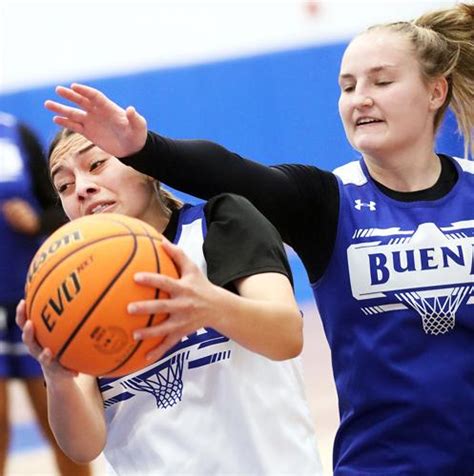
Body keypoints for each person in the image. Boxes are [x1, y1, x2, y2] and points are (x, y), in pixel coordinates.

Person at [42, 2, 474, 474]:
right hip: (384, 464)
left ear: (436, 91)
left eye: (381, 81)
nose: (359, 98)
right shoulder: (328, 201)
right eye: (347, 87)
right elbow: (232, 172)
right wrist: (144, 148)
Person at [16, 127, 322, 475]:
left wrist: (210, 306)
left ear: (146, 166)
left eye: (97, 164)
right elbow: (83, 447)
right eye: (64, 187)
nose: (82, 189)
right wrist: (58, 379)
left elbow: (286, 337)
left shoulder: (217, 224)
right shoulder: (77, 292)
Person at [0, 113, 92, 476]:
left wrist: (36, 222)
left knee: (64, 427)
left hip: (33, 302)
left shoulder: (15, 132)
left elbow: (59, 207)